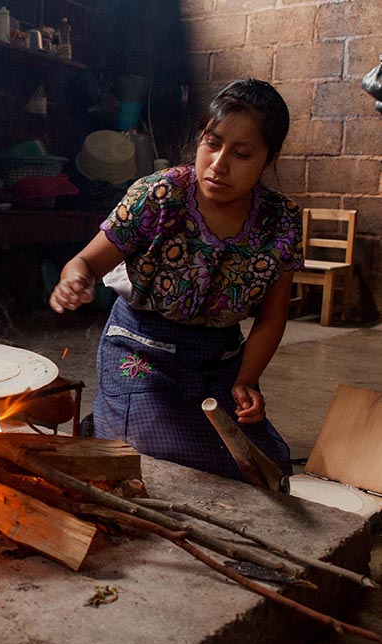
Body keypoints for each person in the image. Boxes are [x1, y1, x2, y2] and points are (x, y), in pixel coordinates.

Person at [49, 78, 303, 481]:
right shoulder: (160, 195)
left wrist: (247, 380)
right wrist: (74, 280)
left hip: (214, 361)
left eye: (241, 153)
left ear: (267, 161)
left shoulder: (281, 220)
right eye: (212, 143)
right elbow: (86, 262)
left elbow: (271, 318)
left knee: (263, 464)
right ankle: (117, 414)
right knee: (164, 449)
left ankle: (119, 416)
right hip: (140, 350)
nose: (218, 164)